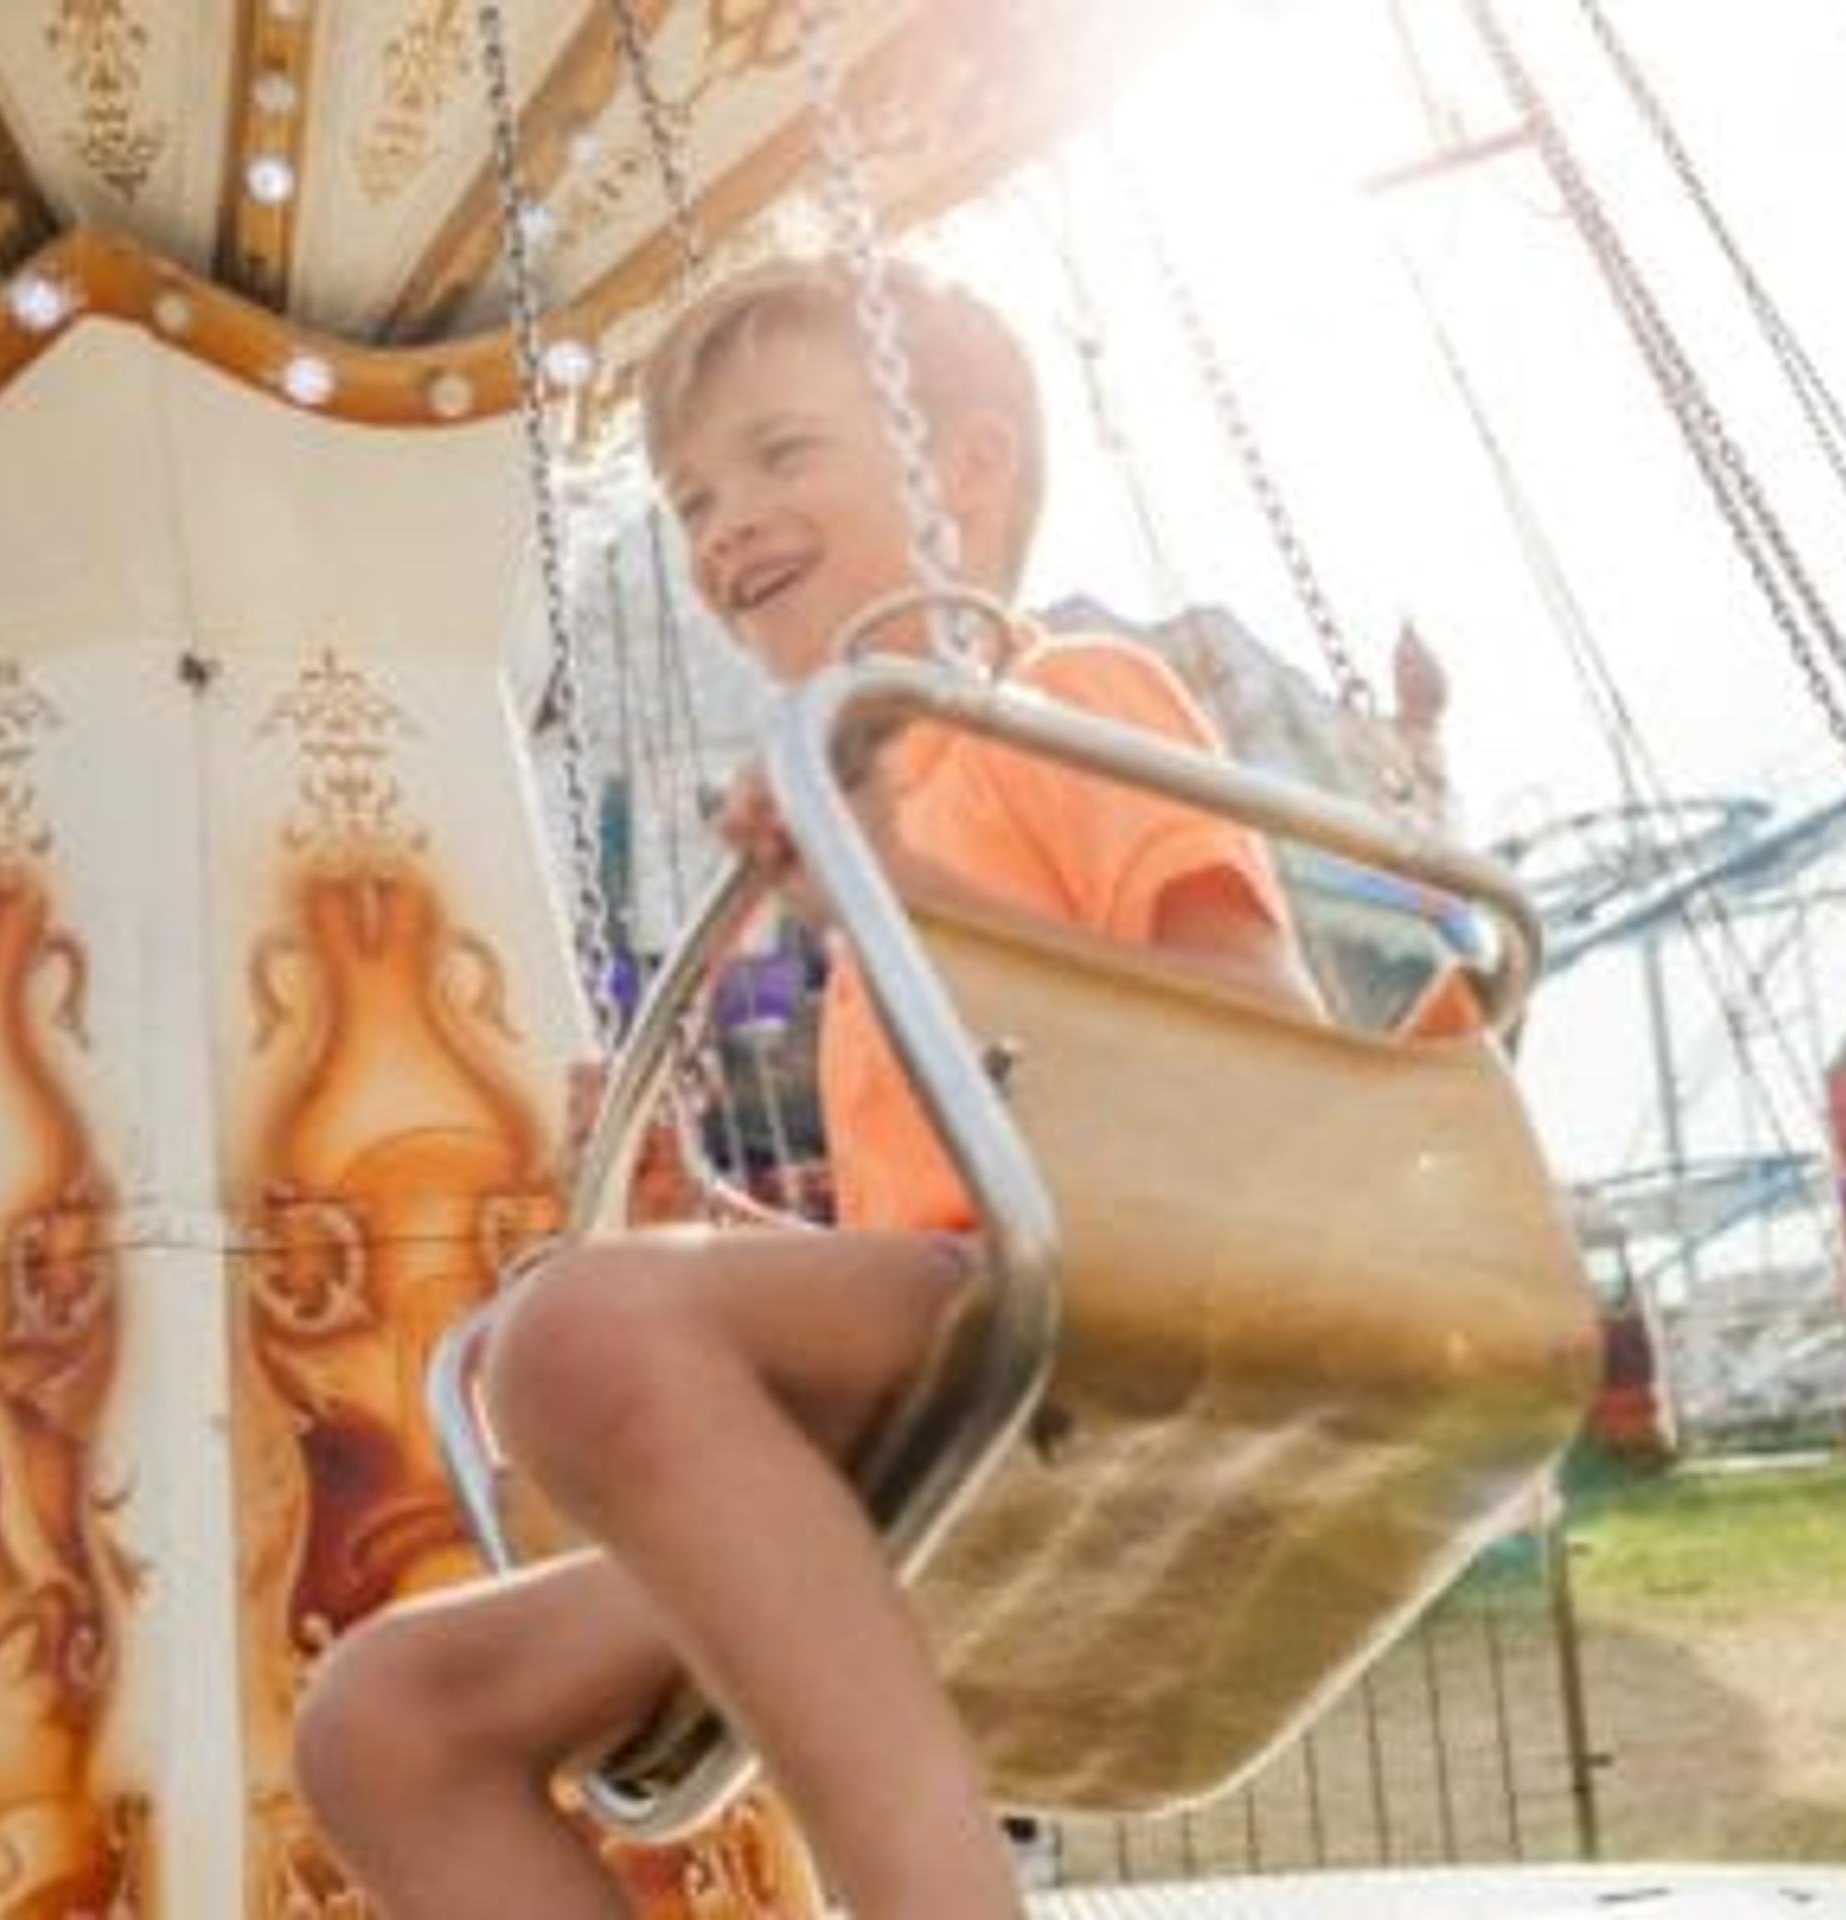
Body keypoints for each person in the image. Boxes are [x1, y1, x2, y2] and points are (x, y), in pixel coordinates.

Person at [290, 260, 1316, 1919]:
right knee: (387, 1719)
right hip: (950, 1421)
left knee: (586, 1333)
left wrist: (900, 890)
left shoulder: (1067, 704)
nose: (724, 523)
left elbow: (1255, 1039)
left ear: (960, 467)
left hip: (1132, 1349)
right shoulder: (881, 823)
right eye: (694, 494)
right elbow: (936, 1227)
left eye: (780, 455)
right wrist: (719, 1227)